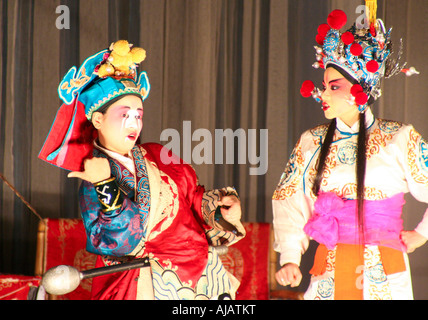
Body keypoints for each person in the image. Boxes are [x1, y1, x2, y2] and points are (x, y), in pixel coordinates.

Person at [39, 40, 245, 300]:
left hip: (203, 277)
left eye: (138, 114)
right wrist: (105, 184)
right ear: (98, 119)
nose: (133, 123)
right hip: (146, 282)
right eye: (124, 114)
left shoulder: (157, 154)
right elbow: (121, 243)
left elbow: (191, 196)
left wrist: (221, 206)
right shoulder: (92, 180)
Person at [272, 8, 428, 300]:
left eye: (334, 87)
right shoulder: (312, 141)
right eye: (323, 87)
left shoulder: (399, 137)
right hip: (329, 265)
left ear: (361, 90)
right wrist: (291, 257)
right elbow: (289, 198)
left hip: (385, 268)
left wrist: (421, 234)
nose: (324, 95)